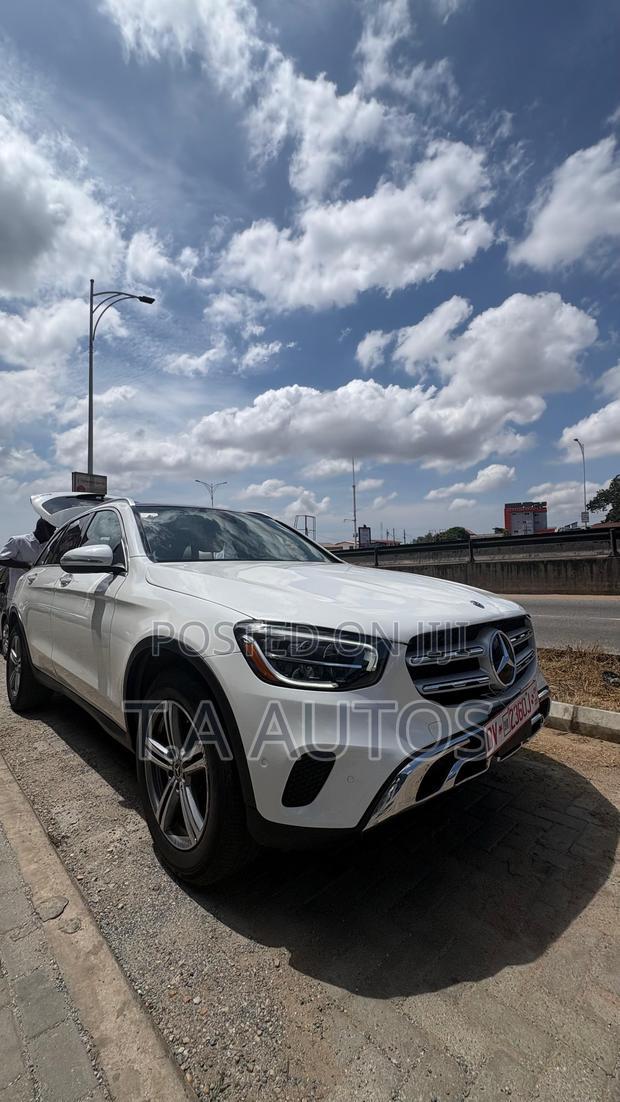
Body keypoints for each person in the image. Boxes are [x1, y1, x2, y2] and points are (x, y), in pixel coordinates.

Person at [0, 518, 55, 603]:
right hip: (16, 593)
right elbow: (2, 560)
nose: (54, 532)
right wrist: (26, 565)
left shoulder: (49, 547)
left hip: (37, 595)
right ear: (42, 528)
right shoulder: (18, 541)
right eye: (52, 529)